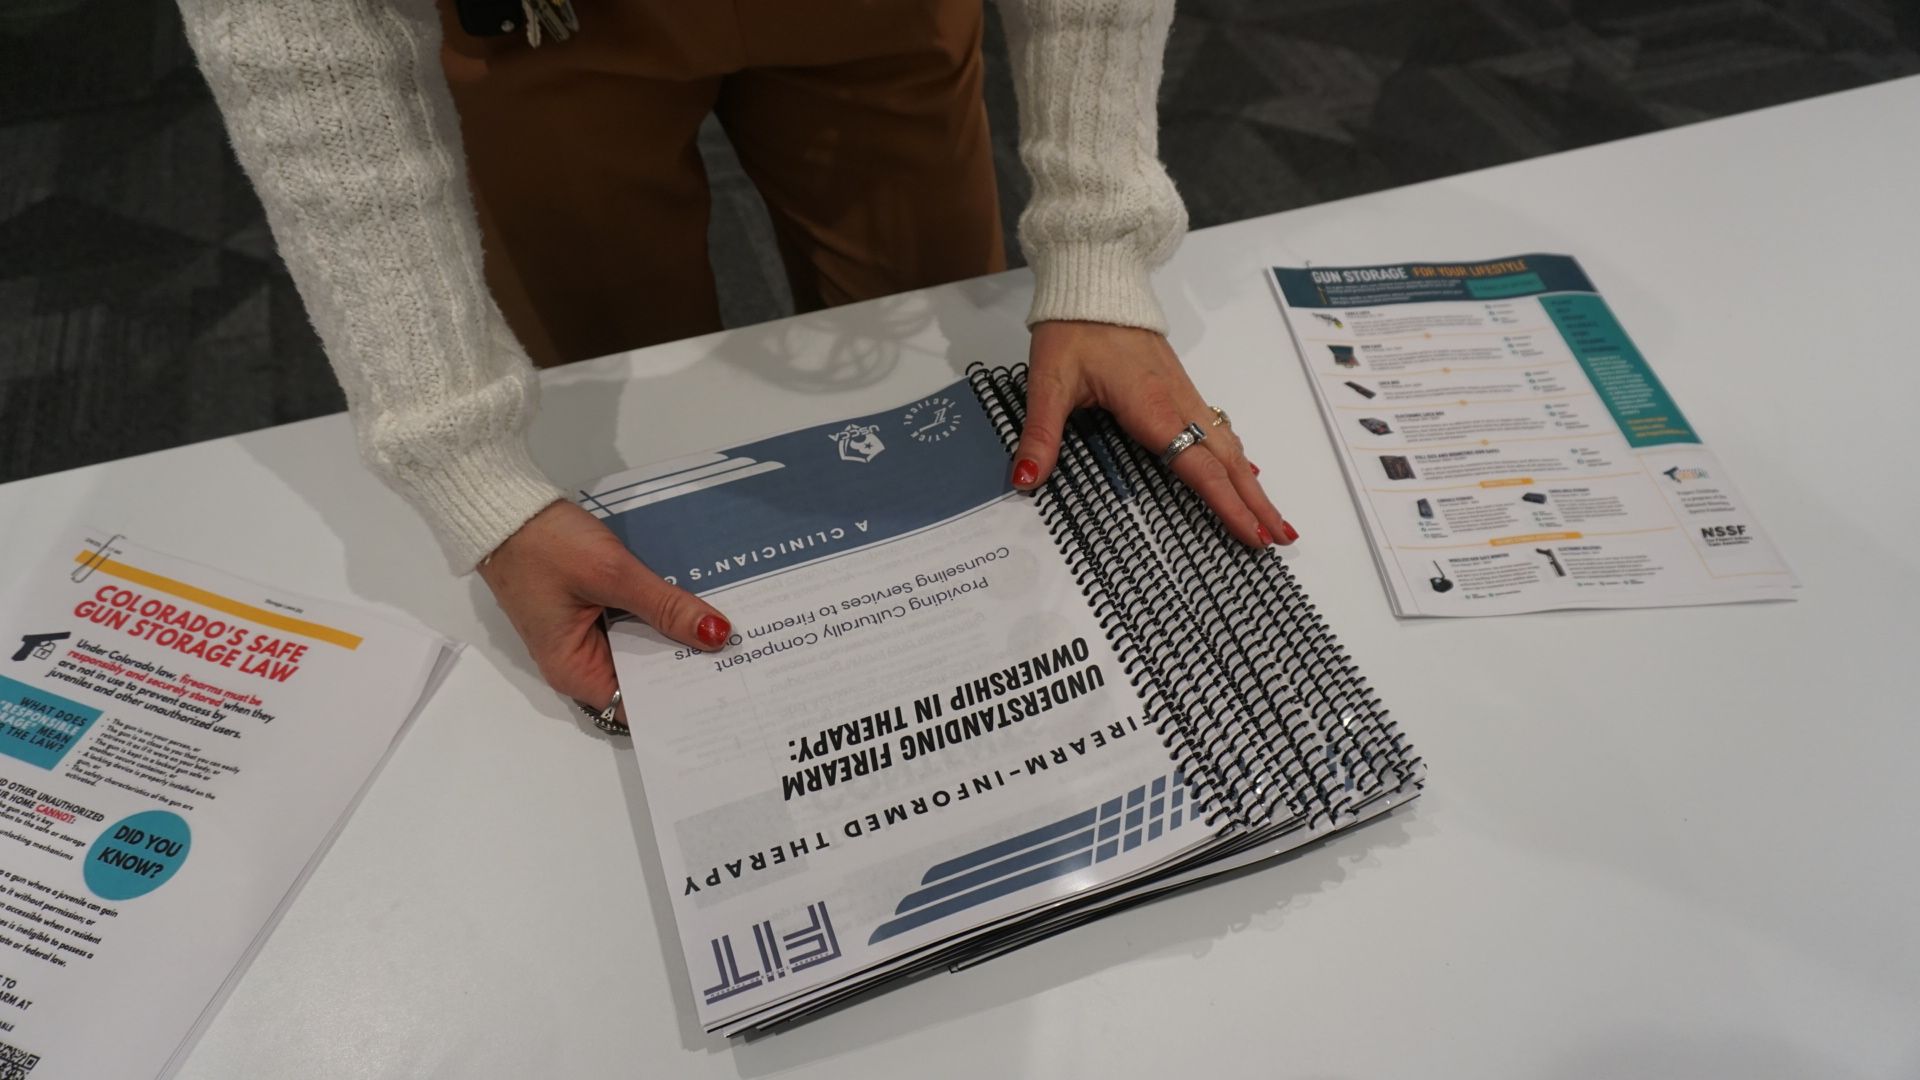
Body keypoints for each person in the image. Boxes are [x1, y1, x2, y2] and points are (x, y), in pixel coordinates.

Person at [176, 0, 1299, 727]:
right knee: (615, 439)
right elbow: (291, 30)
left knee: (947, 391)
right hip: (545, 21)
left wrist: (1099, 246)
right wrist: (461, 463)